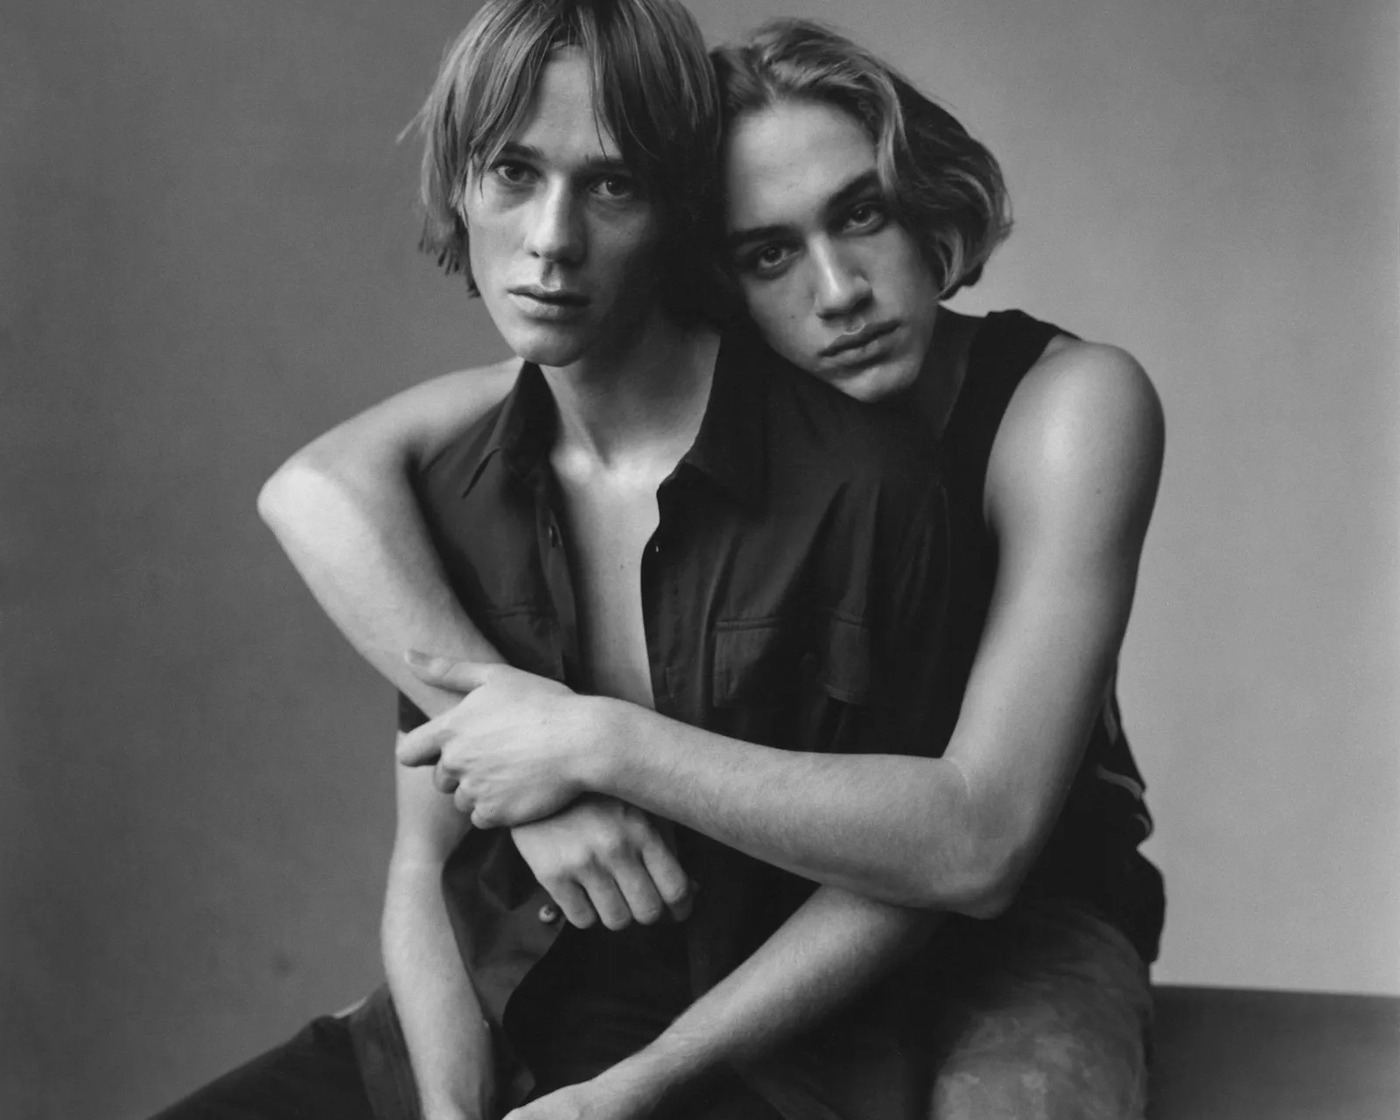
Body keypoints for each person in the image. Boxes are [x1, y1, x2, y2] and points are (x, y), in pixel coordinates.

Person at [262, 16, 1168, 1120]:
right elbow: (318, 483)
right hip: (790, 897)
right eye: (767, 252)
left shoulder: (1063, 406)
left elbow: (982, 841)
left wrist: (589, 743)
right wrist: (515, 752)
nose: (838, 290)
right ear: (707, 277)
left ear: (927, 203)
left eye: (862, 213)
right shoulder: (696, 405)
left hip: (1028, 902)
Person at [158, 3, 963, 1119]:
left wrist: (629, 1090)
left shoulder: (864, 487)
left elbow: (903, 885)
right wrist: (451, 1106)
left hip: (740, 1065)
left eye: (612, 184)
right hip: (474, 1026)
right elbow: (427, 864)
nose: (551, 239)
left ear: (678, 211)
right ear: (459, 186)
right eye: (513, 173)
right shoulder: (452, 492)